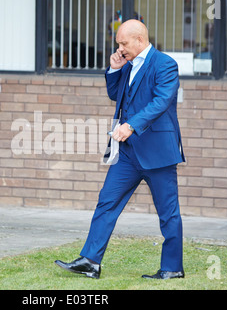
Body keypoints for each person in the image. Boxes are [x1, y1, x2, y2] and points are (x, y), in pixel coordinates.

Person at [55, 19, 186, 280]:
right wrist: (114, 70)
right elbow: (118, 96)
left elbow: (161, 101)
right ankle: (90, 261)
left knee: (168, 212)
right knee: (107, 202)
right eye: (118, 44)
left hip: (157, 152)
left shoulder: (165, 64)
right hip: (127, 153)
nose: (120, 48)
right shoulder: (128, 63)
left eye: (123, 43)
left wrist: (131, 126)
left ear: (139, 40)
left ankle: (172, 268)